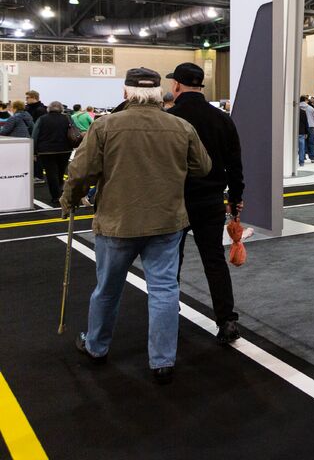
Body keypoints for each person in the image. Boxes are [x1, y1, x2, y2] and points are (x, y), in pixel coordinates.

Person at [61, 67, 211, 385]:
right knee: (165, 290)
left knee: (107, 290)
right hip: (166, 222)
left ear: (125, 92)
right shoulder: (180, 126)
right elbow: (203, 167)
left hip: (117, 222)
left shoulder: (105, 126)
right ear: (159, 93)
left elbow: (81, 172)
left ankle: (97, 348)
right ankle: (162, 361)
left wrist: (70, 200)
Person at [166, 62, 245, 344]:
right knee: (214, 261)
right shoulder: (222, 119)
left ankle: (167, 313)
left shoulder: (170, 118)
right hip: (211, 201)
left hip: (176, 202)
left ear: (176, 85)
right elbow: (235, 165)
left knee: (170, 261)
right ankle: (226, 321)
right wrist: (235, 199)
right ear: (201, 86)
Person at [31, 101, 76, 206]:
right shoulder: (67, 118)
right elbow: (74, 131)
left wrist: (34, 151)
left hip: (46, 151)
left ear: (49, 109)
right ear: (61, 109)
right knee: (61, 173)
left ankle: (56, 197)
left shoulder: (42, 119)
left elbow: (35, 135)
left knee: (51, 174)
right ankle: (60, 192)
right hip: (65, 150)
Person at [299, 95, 314, 164]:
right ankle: (312, 158)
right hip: (311, 127)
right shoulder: (310, 108)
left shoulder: (297, 108)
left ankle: (302, 157)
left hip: (301, 127)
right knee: (311, 142)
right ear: (306, 100)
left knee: (302, 143)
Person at [297, 100, 311, 166]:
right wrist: (307, 132)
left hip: (292, 133)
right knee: (301, 148)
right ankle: (301, 162)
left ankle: (290, 161)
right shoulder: (303, 112)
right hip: (301, 132)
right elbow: (306, 123)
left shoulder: (291, 112)